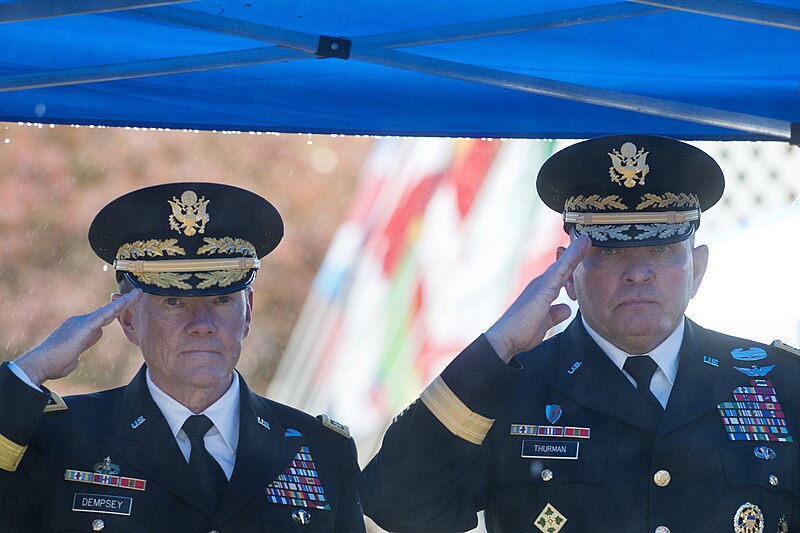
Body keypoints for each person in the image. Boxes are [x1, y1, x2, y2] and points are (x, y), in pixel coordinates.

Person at [360, 135, 799, 533]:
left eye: (662, 248)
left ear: (697, 269)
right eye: (608, 251)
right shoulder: (508, 386)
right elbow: (398, 505)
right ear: (567, 273)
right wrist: (500, 345)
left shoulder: (779, 383)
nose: (639, 273)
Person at [0, 182, 366, 533]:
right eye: (173, 302)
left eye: (221, 300)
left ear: (248, 311)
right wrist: (31, 370)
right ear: (128, 319)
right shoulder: (56, 437)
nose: (202, 324)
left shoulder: (320, 449)